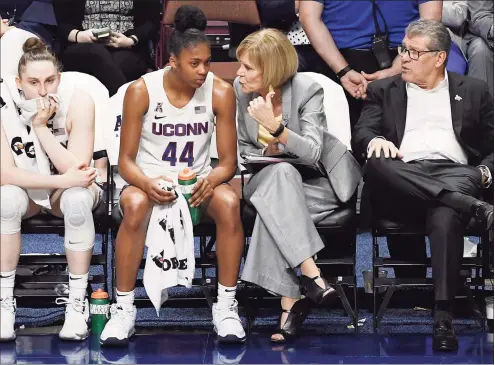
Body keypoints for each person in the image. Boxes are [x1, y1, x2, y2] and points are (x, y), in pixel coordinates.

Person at [99, 6, 246, 346]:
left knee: (228, 202)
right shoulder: (142, 90)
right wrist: (148, 183)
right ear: (173, 61)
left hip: (195, 181)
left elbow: (228, 162)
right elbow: (126, 161)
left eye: (208, 62)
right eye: (195, 63)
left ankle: (225, 308)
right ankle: (124, 311)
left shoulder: (221, 91)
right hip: (147, 179)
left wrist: (211, 179)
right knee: (134, 205)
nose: (203, 70)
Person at [352, 19, 493, 352]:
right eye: (403, 50)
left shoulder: (472, 90)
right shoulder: (382, 91)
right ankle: (471, 206)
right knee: (378, 164)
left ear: (439, 58)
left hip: (455, 173)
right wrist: (375, 142)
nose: (404, 58)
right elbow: (361, 134)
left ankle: (442, 315)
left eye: (413, 52)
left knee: (445, 213)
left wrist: (486, 171)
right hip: (402, 177)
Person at [234, 29, 361, 342]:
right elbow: (243, 148)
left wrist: (277, 129)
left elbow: (315, 152)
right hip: (260, 180)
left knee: (280, 194)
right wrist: (269, 152)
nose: (239, 73)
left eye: (248, 67)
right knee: (281, 175)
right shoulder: (240, 90)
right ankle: (311, 274)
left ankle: (292, 301)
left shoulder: (307, 89)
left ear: (272, 69)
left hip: (312, 185)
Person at [0, 38, 101, 341]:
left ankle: (76, 303)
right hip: (28, 190)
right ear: (19, 82)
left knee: (78, 199)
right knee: (5, 198)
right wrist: (61, 180)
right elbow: (5, 173)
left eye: (50, 80)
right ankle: (5, 303)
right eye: (33, 82)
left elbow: (80, 169)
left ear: (60, 76)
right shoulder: (3, 103)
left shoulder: (79, 99)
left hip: (68, 192)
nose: (43, 91)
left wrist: (41, 128)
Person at [299, 0, 442, 129]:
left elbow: (431, 23)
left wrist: (397, 68)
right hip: (339, 60)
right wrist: (343, 71)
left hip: (406, 55)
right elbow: (308, 17)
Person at [53, 0, 161, 96]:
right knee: (97, 54)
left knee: (119, 66)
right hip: (81, 45)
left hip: (127, 46)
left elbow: (152, 22)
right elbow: (59, 22)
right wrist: (79, 36)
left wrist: (130, 40)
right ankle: (125, 107)